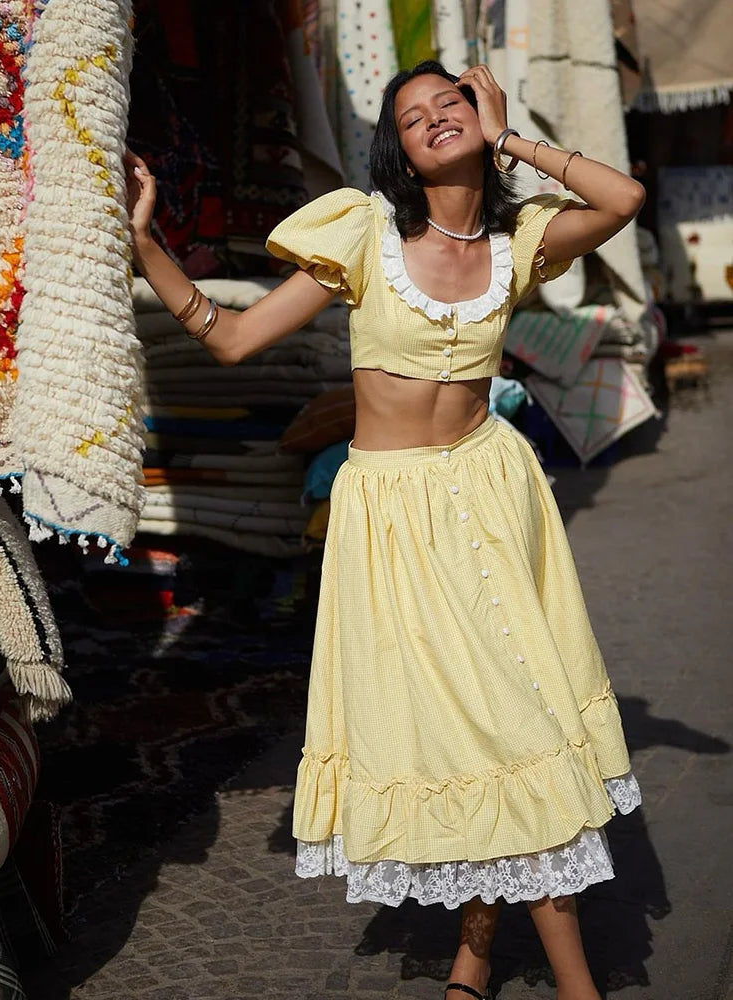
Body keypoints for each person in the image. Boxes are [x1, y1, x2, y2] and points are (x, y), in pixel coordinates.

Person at [126, 60, 644, 1000]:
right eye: (412, 118)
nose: (434, 119)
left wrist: (512, 138)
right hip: (393, 516)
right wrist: (146, 242)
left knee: (513, 719)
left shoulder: (521, 237)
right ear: (397, 151)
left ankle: (505, 965)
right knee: (474, 728)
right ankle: (524, 970)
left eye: (450, 102)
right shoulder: (366, 233)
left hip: (493, 494)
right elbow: (231, 338)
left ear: (479, 113)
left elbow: (625, 195)